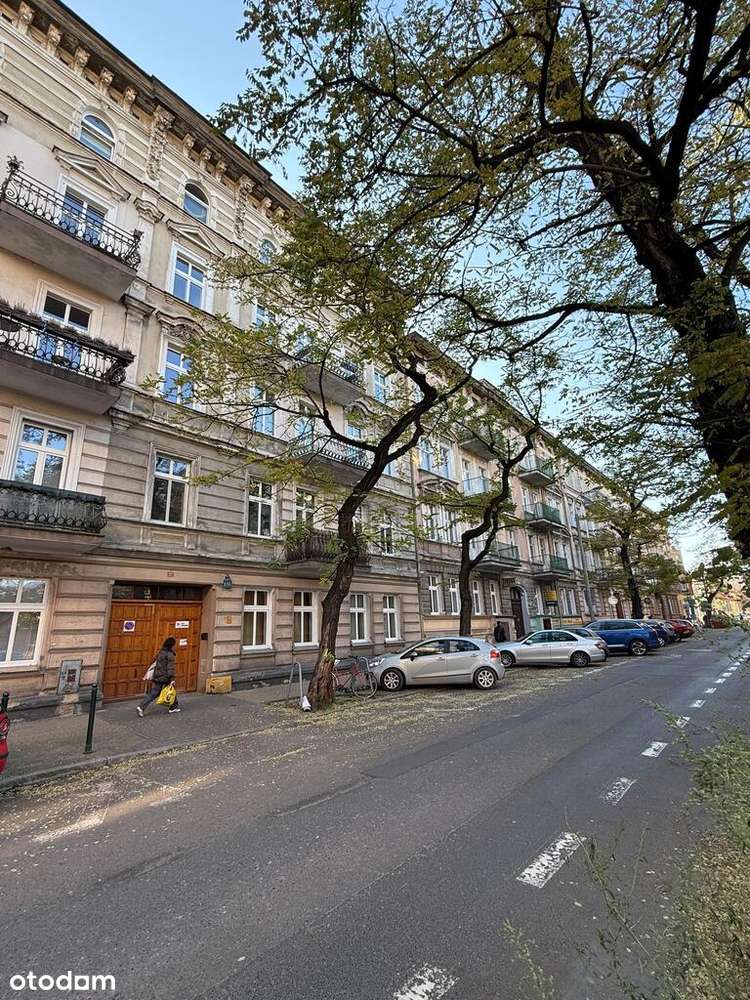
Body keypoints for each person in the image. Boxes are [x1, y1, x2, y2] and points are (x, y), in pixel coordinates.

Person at [137, 637, 180, 716]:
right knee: (170, 690)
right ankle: (173, 707)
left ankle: (141, 707)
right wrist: (172, 679)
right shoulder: (170, 654)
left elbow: (154, 661)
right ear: (172, 645)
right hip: (166, 677)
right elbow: (170, 668)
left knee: (156, 692)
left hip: (157, 675)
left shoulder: (160, 652)